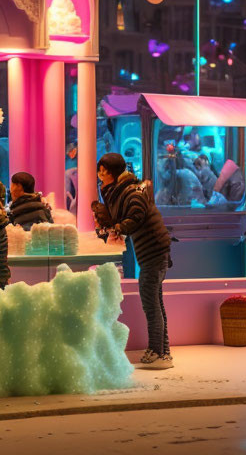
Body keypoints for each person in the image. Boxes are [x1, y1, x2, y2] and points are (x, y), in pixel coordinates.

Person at [97, 152, 173, 369]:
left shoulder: (131, 192)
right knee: (155, 301)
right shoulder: (122, 191)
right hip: (152, 249)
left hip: (154, 250)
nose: (100, 174)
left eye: (104, 170)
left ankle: (158, 351)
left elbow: (136, 217)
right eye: (100, 170)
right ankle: (163, 351)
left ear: (113, 172)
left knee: (151, 303)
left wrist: (118, 228)